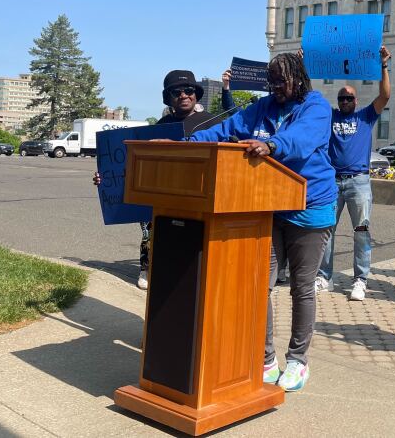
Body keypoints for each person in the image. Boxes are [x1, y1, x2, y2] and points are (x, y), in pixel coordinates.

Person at [189, 53, 336, 393]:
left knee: (302, 288)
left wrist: (270, 145)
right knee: (259, 285)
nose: (275, 89)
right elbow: (223, 131)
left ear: (298, 79)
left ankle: (298, 361)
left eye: (280, 82)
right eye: (271, 82)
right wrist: (185, 144)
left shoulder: (317, 107)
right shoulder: (262, 107)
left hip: (310, 209)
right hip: (268, 209)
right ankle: (266, 358)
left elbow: (299, 140)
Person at [93, 69, 234, 290]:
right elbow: (133, 162)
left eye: (189, 90)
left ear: (196, 94)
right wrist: (108, 177)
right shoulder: (159, 125)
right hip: (161, 194)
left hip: (198, 195)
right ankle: (147, 267)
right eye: (176, 92)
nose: (183, 95)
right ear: (169, 97)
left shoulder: (212, 123)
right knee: (151, 231)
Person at [316, 46, 391, 301]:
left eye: (349, 98)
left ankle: (360, 280)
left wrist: (383, 65)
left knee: (361, 231)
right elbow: (306, 97)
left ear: (356, 101)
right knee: (326, 229)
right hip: (332, 181)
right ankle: (324, 277)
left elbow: (385, 95)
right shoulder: (330, 116)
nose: (345, 101)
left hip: (359, 181)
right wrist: (302, 65)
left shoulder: (365, 117)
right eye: (341, 98)